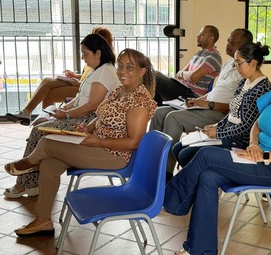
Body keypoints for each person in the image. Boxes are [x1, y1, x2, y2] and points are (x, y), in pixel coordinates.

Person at [163, 50, 271, 255]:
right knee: (207, 177)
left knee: (205, 156)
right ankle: (199, 249)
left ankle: (168, 199)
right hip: (254, 158)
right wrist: (254, 143)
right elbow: (257, 124)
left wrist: (263, 156)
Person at [4, 48, 157, 237]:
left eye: (129, 67)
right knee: (50, 164)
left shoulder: (140, 101)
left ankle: (29, 163)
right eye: (120, 65)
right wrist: (88, 128)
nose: (122, 71)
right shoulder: (120, 90)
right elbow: (101, 116)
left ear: (142, 71)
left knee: (47, 144)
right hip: (97, 144)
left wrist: (98, 141)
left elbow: (134, 142)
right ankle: (43, 220)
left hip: (115, 155)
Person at [3, 32, 120, 199]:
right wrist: (63, 109)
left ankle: (26, 182)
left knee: (39, 130)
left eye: (86, 53)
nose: (83, 58)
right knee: (41, 126)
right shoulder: (97, 70)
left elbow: (92, 106)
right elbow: (80, 98)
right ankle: (30, 182)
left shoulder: (106, 71)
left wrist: (65, 115)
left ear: (98, 53)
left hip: (88, 121)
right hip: (81, 116)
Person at [149, 28, 253, 181]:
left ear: (244, 45)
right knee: (160, 112)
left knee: (173, 118)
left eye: (232, 41)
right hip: (206, 104)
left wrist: (208, 104)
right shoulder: (228, 63)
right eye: (228, 40)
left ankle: (165, 175)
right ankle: (150, 163)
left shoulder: (245, 72)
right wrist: (198, 101)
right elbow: (214, 91)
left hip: (219, 112)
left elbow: (235, 106)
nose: (228, 44)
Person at [172, 42, 271, 168]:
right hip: (227, 132)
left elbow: (247, 126)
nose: (235, 67)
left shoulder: (262, 89)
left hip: (238, 140)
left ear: (252, 63)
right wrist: (216, 126)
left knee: (185, 154)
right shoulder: (244, 82)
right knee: (178, 148)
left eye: (238, 63)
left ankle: (195, 181)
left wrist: (219, 133)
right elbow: (232, 112)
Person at [5, 26, 114, 126]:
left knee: (49, 92)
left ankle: (32, 115)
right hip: (81, 88)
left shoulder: (104, 70)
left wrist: (66, 113)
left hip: (82, 101)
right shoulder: (95, 67)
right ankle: (40, 118)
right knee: (47, 84)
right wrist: (75, 76)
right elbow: (86, 81)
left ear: (99, 50)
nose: (82, 57)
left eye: (85, 53)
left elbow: (92, 102)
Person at [154, 25, 222, 105]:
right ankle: (155, 112)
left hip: (192, 95)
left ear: (211, 39)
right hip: (183, 87)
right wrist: (186, 75)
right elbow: (179, 74)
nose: (198, 37)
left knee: (155, 75)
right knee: (154, 86)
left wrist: (184, 75)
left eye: (202, 35)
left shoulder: (214, 56)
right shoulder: (198, 54)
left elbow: (193, 77)